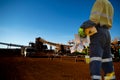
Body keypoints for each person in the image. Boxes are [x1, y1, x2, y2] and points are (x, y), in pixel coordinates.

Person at [79, 0, 116, 80]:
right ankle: (111, 78)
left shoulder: (99, 1)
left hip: (97, 32)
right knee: (107, 60)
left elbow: (94, 19)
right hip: (107, 33)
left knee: (95, 58)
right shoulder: (110, 5)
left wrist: (83, 26)